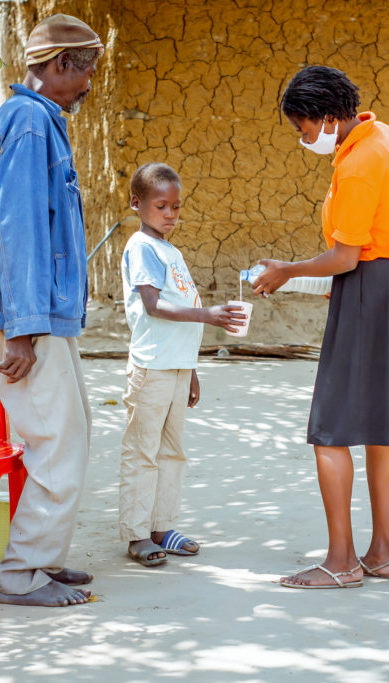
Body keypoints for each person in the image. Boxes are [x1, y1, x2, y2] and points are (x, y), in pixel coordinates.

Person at [252, 66, 389, 589]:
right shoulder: (385, 135)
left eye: (303, 129)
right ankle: (385, 552)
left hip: (371, 289)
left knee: (330, 429)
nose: (304, 139)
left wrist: (286, 271)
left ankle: (341, 561)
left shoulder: (357, 164)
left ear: (329, 117)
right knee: (382, 424)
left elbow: (343, 256)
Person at [0, 14, 105, 606]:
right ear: (58, 66)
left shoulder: (38, 121)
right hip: (31, 322)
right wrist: (15, 330)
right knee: (58, 439)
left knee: (71, 431)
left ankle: (42, 558)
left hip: (39, 317)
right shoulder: (28, 124)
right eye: (86, 71)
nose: (91, 85)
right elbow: (16, 230)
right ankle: (21, 572)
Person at [119, 162, 246, 566]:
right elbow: (154, 306)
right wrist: (209, 315)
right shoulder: (141, 247)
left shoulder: (169, 251)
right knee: (143, 451)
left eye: (176, 206)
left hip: (175, 367)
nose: (171, 214)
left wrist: (191, 368)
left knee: (172, 451)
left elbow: (182, 309)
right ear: (137, 204)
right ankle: (138, 534)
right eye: (162, 206)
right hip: (152, 367)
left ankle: (161, 526)